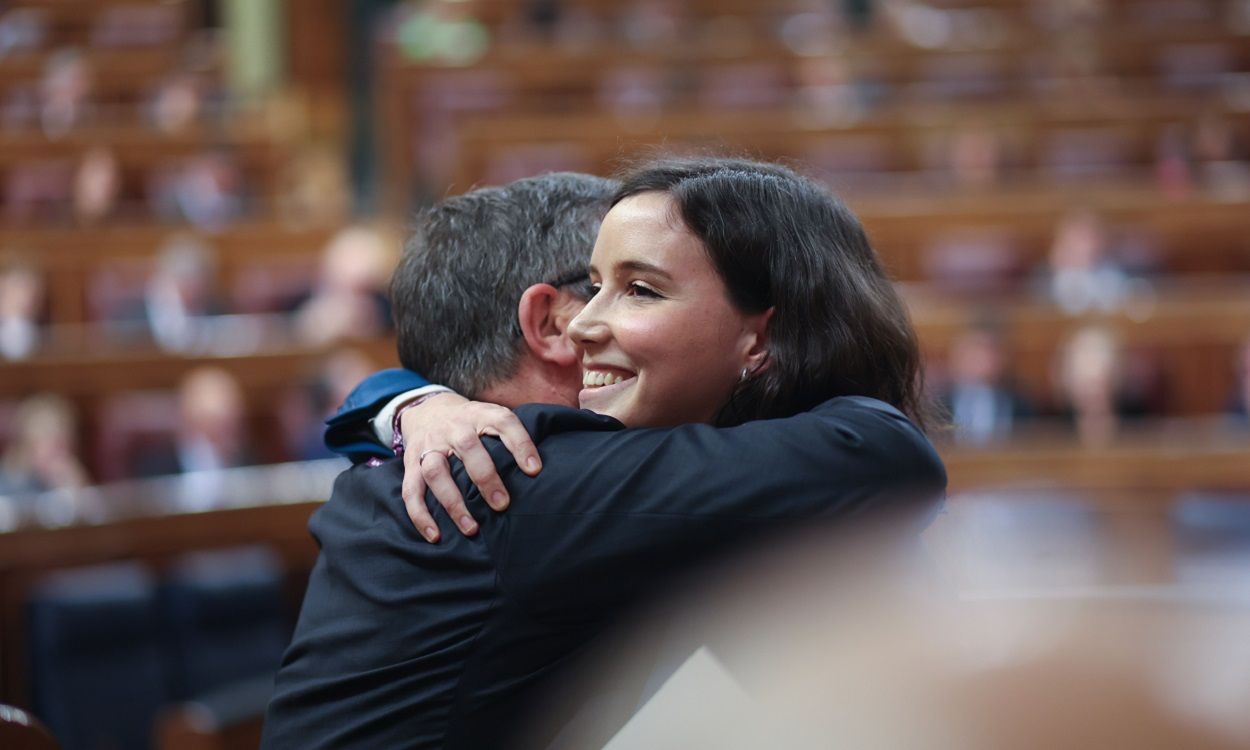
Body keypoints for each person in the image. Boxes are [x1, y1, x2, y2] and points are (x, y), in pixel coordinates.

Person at [262, 162, 945, 748]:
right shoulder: (525, 480)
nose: (591, 325)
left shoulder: (439, 463)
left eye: (638, 288)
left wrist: (398, 402)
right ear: (548, 321)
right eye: (595, 286)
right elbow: (887, 453)